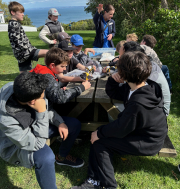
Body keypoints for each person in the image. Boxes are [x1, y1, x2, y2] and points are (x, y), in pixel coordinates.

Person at [71, 51, 168, 189]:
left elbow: (121, 129)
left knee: (100, 142)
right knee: (99, 135)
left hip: (148, 142)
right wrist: (112, 80)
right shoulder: (144, 86)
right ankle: (94, 180)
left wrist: (99, 133)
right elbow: (114, 93)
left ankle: (105, 185)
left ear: (123, 72)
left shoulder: (138, 102)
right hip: (148, 134)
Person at [0, 72, 84, 189]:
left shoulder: (26, 88)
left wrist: (60, 122)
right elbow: (37, 144)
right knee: (46, 157)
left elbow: (47, 110)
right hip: (18, 143)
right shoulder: (6, 119)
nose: (44, 96)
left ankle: (62, 157)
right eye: (42, 96)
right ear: (32, 102)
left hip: (36, 125)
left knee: (73, 124)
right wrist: (41, 112)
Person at [111, 41, 171, 116]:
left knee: (114, 106)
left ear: (131, 57)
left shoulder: (144, 73)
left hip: (158, 112)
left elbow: (123, 90)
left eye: (121, 57)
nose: (119, 59)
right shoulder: (145, 64)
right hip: (152, 106)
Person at [8, 1, 48, 73]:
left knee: (24, 75)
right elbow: (18, 41)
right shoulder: (13, 25)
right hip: (25, 53)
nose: (23, 14)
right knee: (49, 53)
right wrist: (30, 50)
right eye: (20, 12)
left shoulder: (13, 23)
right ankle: (48, 72)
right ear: (13, 12)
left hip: (21, 54)